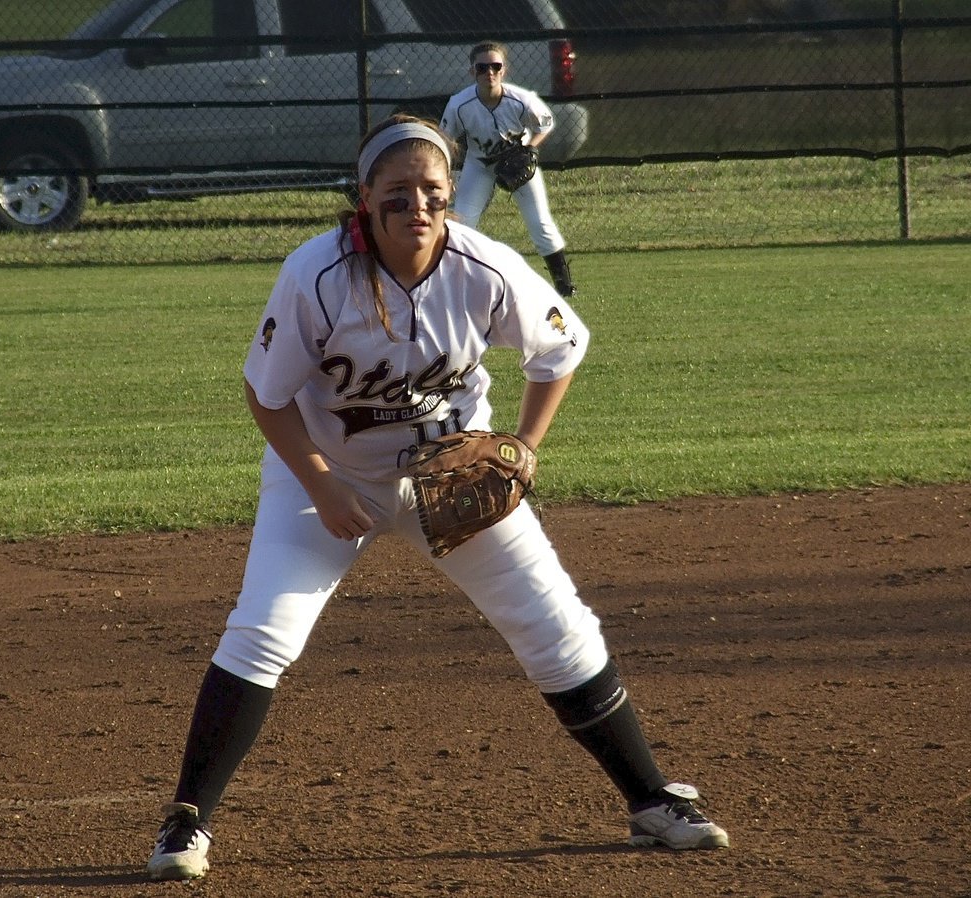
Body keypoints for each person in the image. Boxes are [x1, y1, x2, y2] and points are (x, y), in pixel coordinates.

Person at [145, 115, 728, 882]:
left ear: (451, 195)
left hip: (452, 479)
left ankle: (651, 799)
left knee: (554, 624)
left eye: (431, 190)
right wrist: (320, 484)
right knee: (263, 632)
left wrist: (522, 449)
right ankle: (185, 822)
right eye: (397, 192)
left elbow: (562, 345)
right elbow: (266, 394)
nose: (416, 204)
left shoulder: (483, 266)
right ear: (365, 198)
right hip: (328, 476)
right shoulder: (316, 275)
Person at [439, 40, 577, 297]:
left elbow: (544, 124)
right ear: (472, 72)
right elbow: (444, 138)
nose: (489, 72)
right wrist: (445, 173)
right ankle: (453, 282)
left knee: (540, 224)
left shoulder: (521, 100)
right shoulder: (459, 104)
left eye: (495, 66)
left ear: (504, 70)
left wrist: (531, 150)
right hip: (478, 165)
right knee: (462, 224)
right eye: (482, 67)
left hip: (517, 161)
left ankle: (564, 285)